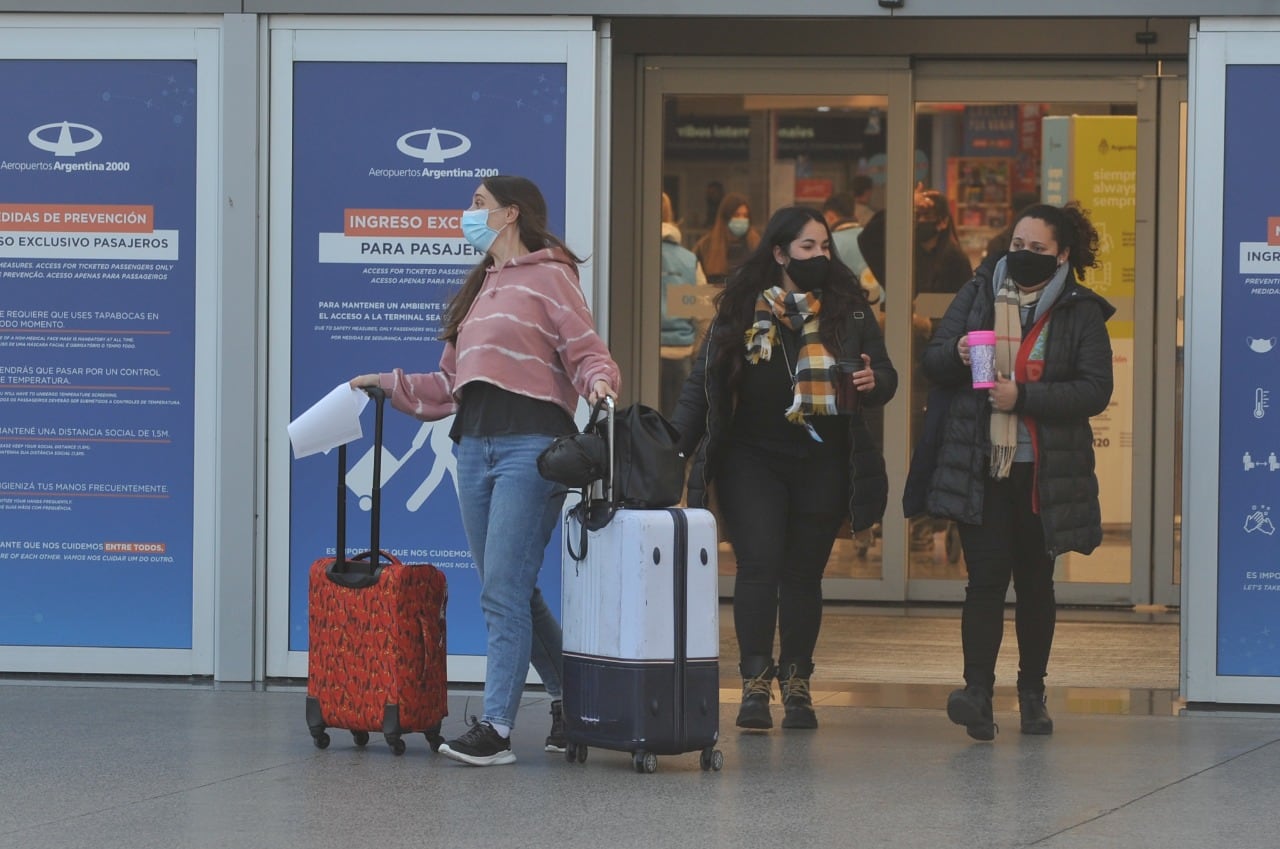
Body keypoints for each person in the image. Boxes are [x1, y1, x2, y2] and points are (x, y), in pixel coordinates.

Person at [350, 175, 620, 766]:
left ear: (510, 214)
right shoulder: (479, 289)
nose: (466, 213)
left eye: (477, 204)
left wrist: (600, 382)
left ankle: (496, 727)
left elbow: (586, 349)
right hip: (473, 447)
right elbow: (448, 385)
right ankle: (570, 700)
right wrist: (387, 383)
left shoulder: (552, 275)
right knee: (512, 587)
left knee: (502, 589)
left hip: (534, 446)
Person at [672, 205, 897, 731]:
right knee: (758, 566)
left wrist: (873, 382)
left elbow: (884, 376)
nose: (821, 256)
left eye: (824, 247)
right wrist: (675, 445)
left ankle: (798, 684)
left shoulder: (851, 311)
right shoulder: (741, 309)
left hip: (823, 459)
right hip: (752, 458)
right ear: (779, 253)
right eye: (808, 247)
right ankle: (754, 685)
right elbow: (701, 383)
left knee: (802, 575)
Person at [921, 202, 1114, 741]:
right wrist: (957, 351)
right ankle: (977, 693)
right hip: (982, 468)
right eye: (1018, 245)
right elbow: (932, 361)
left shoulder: (1080, 311)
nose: (1023, 256)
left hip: (1044, 476)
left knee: (1034, 584)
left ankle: (1032, 693)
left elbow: (1096, 390)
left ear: (1063, 255)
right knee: (984, 582)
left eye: (1037, 250)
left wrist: (1023, 395)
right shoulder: (979, 291)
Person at [910, 188, 974, 551]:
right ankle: (920, 515)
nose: (920, 222)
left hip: (943, 356)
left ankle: (935, 516)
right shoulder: (911, 255)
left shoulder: (954, 259)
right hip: (914, 357)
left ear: (942, 220)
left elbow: (960, 313)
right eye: (915, 215)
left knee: (933, 434)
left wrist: (931, 327)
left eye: (925, 214)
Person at [659, 192, 706, 417]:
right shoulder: (688, 260)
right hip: (680, 355)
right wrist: (695, 351)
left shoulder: (630, 255)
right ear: (671, 216)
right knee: (677, 428)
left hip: (638, 358)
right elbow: (702, 315)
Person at [694, 191, 760, 286]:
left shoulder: (755, 244)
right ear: (726, 218)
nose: (741, 219)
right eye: (736, 215)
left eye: (745, 216)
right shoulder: (705, 246)